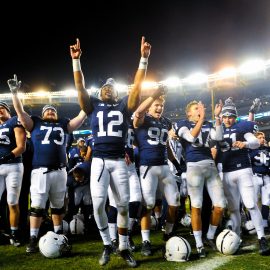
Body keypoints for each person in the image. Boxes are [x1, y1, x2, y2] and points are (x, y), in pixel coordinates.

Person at [70, 36, 151, 268]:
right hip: (99, 161)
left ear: (116, 93)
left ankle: (124, 246)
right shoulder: (92, 105)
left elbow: (137, 88)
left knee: (123, 206)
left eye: (111, 88)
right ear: (101, 92)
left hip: (119, 162)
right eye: (104, 87)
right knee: (98, 205)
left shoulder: (124, 105)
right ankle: (107, 244)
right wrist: (76, 62)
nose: (107, 89)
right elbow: (79, 87)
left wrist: (143, 59)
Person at [7, 74, 87, 253]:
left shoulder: (64, 124)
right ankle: (33, 238)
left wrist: (85, 98)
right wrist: (14, 93)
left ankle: (60, 235)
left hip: (60, 171)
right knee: (37, 206)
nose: (50, 112)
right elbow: (20, 112)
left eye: (53, 110)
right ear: (42, 114)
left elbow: (81, 117)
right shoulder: (34, 123)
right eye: (47, 111)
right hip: (40, 171)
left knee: (58, 206)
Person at [174, 100, 226, 258]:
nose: (200, 110)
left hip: (210, 165)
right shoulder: (182, 123)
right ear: (189, 113)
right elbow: (190, 137)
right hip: (194, 166)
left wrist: (217, 117)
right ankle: (198, 243)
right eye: (196, 109)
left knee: (220, 205)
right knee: (196, 206)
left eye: (201, 108)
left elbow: (218, 136)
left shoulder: (207, 123)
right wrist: (203, 117)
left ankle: (209, 237)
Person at [218, 97, 269, 255]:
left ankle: (261, 238)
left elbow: (255, 142)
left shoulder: (242, 126)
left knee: (251, 204)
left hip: (243, 169)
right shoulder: (218, 128)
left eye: (230, 116)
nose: (228, 119)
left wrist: (245, 144)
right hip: (226, 171)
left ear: (235, 116)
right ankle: (237, 237)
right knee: (233, 209)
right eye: (225, 116)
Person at [133, 87, 181, 256]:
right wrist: (151, 97)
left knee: (175, 202)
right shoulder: (142, 118)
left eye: (161, 105)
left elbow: (166, 144)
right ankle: (146, 240)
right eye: (156, 105)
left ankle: (168, 233)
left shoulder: (166, 122)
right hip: (148, 167)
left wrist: (175, 160)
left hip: (164, 166)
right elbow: (138, 113)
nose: (159, 108)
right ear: (149, 106)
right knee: (148, 204)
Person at [0, 101, 26, 246]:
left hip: (13, 165)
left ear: (8, 110)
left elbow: (21, 146)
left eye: (2, 108)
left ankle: (15, 233)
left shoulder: (13, 121)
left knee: (12, 201)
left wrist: (5, 157)